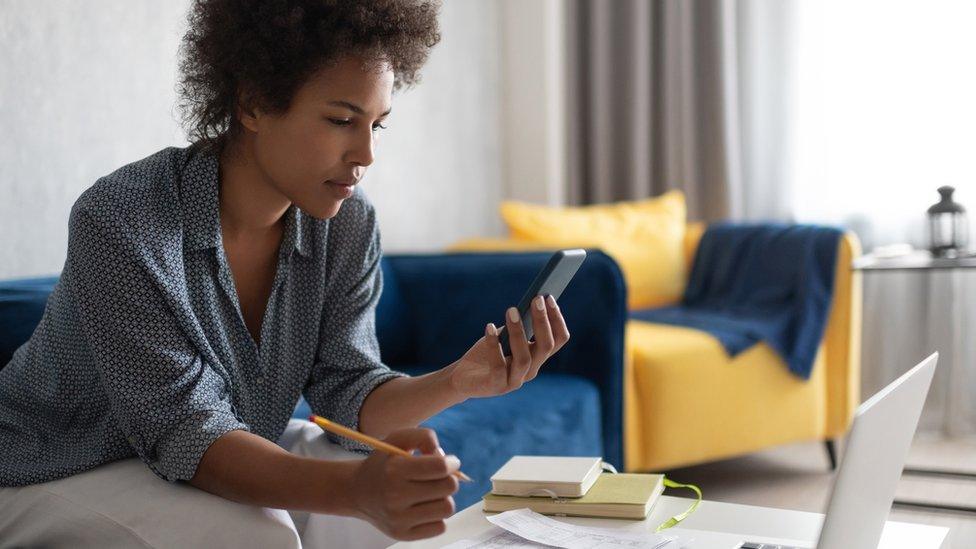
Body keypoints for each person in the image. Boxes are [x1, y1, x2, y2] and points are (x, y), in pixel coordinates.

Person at [0, 1, 571, 546]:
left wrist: (459, 381)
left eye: (379, 125)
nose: (366, 154)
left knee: (382, 489)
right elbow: (186, 433)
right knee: (253, 535)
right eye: (342, 120)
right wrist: (356, 492)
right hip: (52, 466)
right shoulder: (124, 219)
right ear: (251, 104)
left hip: (207, 445)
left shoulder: (346, 224)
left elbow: (349, 391)